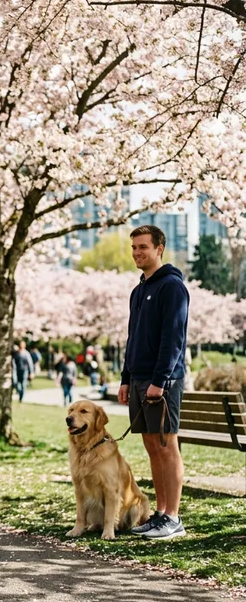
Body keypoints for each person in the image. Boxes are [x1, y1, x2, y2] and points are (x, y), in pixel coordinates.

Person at [118, 225, 189, 540]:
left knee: (166, 445)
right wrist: (125, 378)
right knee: (151, 446)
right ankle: (160, 513)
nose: (137, 253)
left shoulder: (172, 287)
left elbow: (173, 339)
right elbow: (133, 338)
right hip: (139, 379)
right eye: (134, 247)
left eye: (143, 247)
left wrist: (159, 382)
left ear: (160, 248)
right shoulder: (138, 291)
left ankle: (173, 517)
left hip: (163, 381)